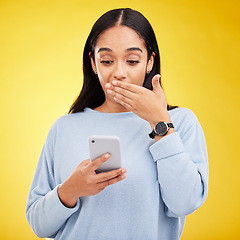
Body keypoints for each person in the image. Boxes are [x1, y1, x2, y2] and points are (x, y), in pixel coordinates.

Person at [26, 8, 208, 240]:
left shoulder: (180, 122)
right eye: (107, 61)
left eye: (132, 61)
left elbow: (185, 203)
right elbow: (39, 226)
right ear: (93, 63)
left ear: (149, 61)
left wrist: (159, 121)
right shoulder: (63, 128)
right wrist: (70, 190)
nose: (119, 72)